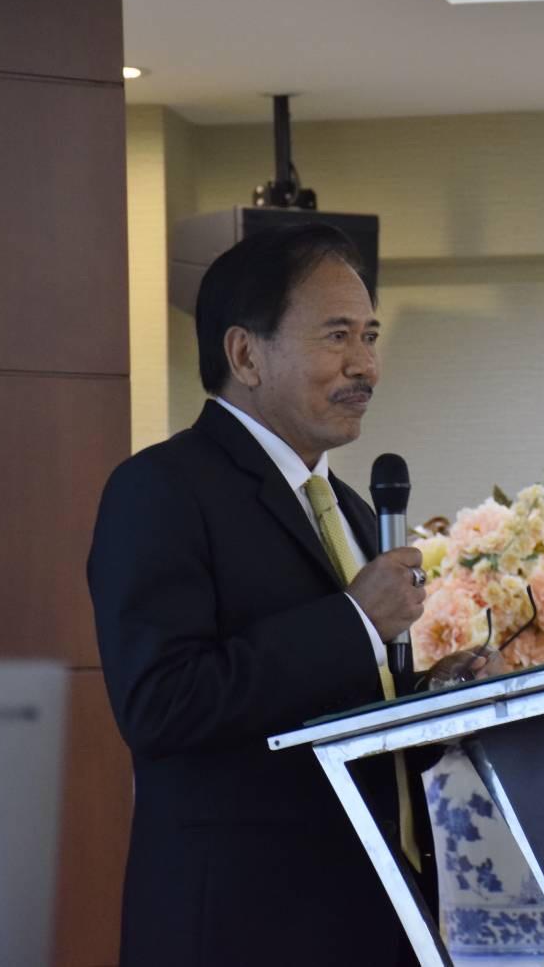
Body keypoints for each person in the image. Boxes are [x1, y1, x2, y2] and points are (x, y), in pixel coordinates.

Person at [88, 223, 449, 966]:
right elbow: (161, 703)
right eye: (337, 336)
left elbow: (341, 714)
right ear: (246, 355)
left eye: (370, 336)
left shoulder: (350, 510)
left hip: (374, 920)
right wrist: (354, 622)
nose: (365, 365)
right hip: (243, 930)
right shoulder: (161, 489)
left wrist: (438, 699)